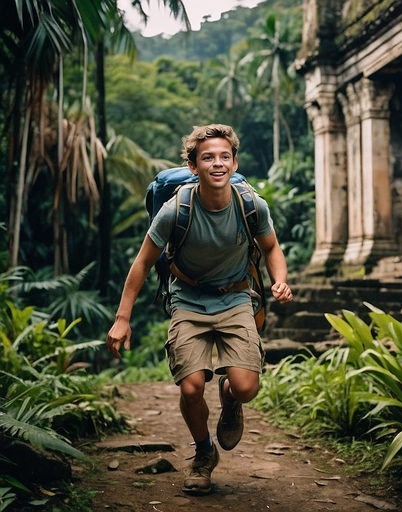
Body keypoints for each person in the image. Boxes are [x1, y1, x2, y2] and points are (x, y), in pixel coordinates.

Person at [106, 124, 293, 495]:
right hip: (189, 299)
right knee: (191, 387)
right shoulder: (176, 210)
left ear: (234, 162)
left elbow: (271, 247)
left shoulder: (251, 204)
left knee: (245, 388)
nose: (217, 163)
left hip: (237, 297)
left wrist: (280, 280)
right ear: (194, 167)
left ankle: (229, 397)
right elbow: (142, 263)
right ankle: (204, 454)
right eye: (207, 157)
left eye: (225, 156)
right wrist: (122, 319)